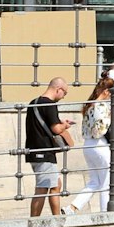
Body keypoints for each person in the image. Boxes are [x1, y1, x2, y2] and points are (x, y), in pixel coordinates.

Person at [24, 77, 73, 218]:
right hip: (44, 151)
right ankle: (35, 221)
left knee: (55, 184)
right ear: (59, 89)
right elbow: (56, 129)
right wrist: (65, 125)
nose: (63, 97)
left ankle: (56, 217)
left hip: (34, 150)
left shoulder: (33, 103)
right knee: (43, 187)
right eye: (65, 93)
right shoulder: (50, 104)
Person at [71, 75, 114, 212]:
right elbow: (100, 130)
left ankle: (72, 207)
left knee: (94, 181)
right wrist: (110, 118)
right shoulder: (102, 105)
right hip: (99, 145)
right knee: (106, 182)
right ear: (107, 91)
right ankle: (105, 213)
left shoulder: (89, 105)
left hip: (88, 145)